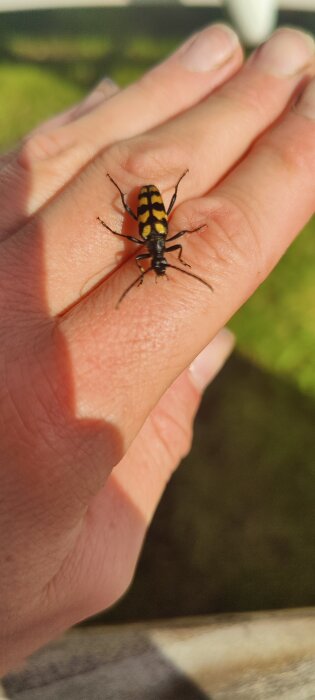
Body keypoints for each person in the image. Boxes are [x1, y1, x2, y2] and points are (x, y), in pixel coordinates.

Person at [0, 23, 314, 675]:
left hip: (145, 206)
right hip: (145, 206)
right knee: (143, 221)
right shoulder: (151, 242)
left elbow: (150, 231)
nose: (156, 257)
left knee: (144, 222)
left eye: (158, 255)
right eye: (159, 255)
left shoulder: (149, 244)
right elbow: (150, 229)